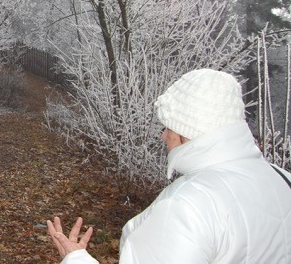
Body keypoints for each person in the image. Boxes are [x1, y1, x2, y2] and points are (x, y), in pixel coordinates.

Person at [48, 68, 291, 263]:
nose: (163, 136)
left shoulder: (187, 204)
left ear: (188, 129)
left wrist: (76, 259)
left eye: (168, 127)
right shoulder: (283, 180)